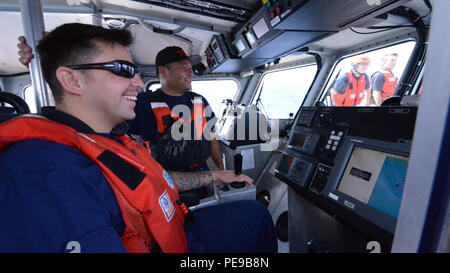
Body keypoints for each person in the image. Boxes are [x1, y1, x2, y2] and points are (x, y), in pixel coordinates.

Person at [0, 23, 277, 253]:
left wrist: (217, 175)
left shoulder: (113, 138)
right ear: (72, 81)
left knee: (255, 216)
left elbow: (161, 175)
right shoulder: (43, 172)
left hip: (176, 225)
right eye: (123, 70)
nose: (137, 83)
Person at [127, 46, 224, 173]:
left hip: (204, 177)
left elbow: (211, 136)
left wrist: (221, 169)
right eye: (184, 67)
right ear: (163, 71)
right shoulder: (141, 103)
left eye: (190, 68)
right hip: (167, 183)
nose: (191, 73)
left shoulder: (200, 101)